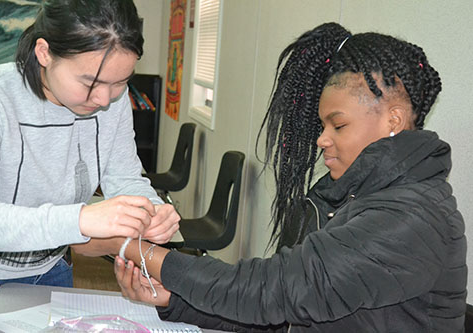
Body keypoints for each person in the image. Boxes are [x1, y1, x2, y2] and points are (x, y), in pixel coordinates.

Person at [92, 22, 466, 332]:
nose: (322, 139)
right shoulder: (348, 199)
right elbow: (285, 313)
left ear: (393, 122)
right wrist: (174, 301)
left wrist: (131, 248)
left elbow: (268, 291)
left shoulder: (413, 219)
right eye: (323, 125)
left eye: (339, 125)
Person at [0, 0, 179, 293]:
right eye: (90, 83)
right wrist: (81, 218)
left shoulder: (114, 102)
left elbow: (125, 179)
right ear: (44, 53)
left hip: (53, 269)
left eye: (120, 82)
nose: (105, 99)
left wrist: (151, 211)